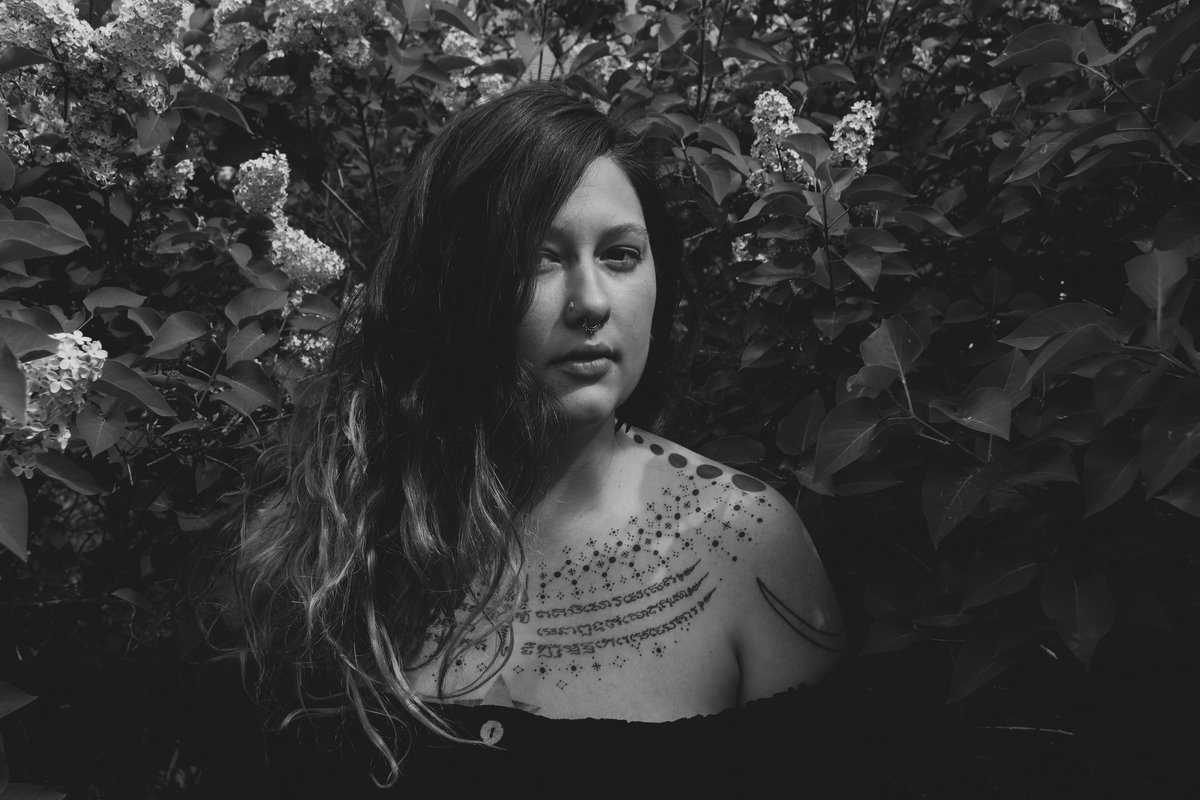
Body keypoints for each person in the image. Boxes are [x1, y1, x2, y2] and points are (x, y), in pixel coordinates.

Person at [192, 81, 846, 797]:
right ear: (452, 286)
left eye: (621, 255)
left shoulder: (745, 543)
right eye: (540, 258)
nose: (591, 303)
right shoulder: (325, 548)